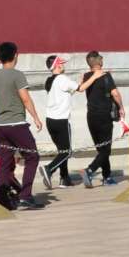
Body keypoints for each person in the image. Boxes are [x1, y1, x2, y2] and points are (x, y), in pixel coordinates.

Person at [0, 42, 50, 210]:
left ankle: (3, 200)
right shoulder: (17, 75)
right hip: (17, 124)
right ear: (15, 55)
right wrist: (35, 117)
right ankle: (25, 195)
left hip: (1, 125)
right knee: (32, 156)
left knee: (5, 162)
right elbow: (25, 98)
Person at [78, 51, 123, 187]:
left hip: (91, 116)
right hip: (104, 116)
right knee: (106, 149)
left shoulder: (86, 76)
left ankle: (107, 177)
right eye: (101, 58)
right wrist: (121, 107)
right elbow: (115, 94)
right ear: (98, 61)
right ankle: (89, 170)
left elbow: (80, 87)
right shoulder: (105, 75)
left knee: (101, 149)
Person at [39, 56, 79, 188]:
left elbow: (66, 94)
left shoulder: (50, 81)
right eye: (61, 63)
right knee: (66, 152)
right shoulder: (62, 79)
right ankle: (49, 169)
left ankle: (64, 178)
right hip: (61, 121)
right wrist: (94, 77)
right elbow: (81, 88)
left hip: (50, 121)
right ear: (57, 65)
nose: (63, 65)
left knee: (62, 150)